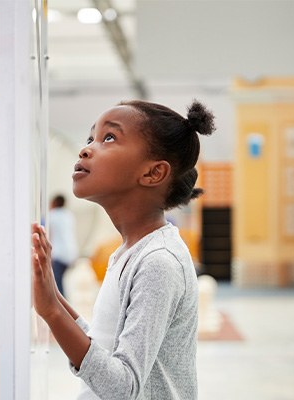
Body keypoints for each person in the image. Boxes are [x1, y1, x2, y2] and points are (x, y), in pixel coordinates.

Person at [31, 99, 215, 399]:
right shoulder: (132, 249)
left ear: (153, 173)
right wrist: (53, 296)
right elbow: (106, 343)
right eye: (91, 137)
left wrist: (52, 312)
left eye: (109, 138)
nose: (86, 148)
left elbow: (123, 387)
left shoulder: (159, 262)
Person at [47, 194, 78, 297]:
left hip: (58, 253)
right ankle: (64, 301)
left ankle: (62, 304)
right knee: (61, 280)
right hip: (71, 252)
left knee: (57, 282)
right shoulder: (68, 215)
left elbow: (49, 235)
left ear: (54, 203)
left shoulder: (52, 215)